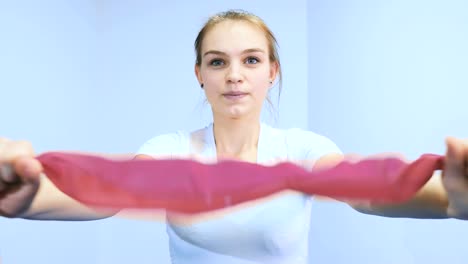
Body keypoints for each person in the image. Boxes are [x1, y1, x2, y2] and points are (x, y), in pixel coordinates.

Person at [0, 9, 468, 264]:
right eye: (218, 62)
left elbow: (367, 192)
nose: (234, 76)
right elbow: (109, 193)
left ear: (272, 72)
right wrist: (28, 198)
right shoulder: (170, 149)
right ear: (200, 75)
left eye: (251, 60)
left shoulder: (303, 149)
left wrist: (450, 202)